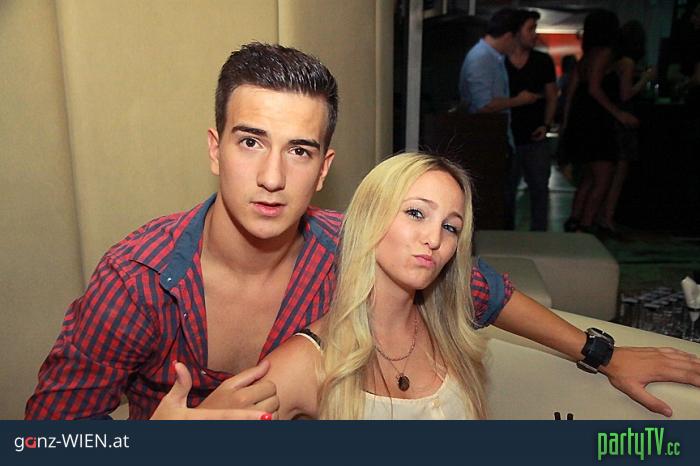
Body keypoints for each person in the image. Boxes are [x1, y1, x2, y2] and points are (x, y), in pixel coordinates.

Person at [27, 43, 700, 421]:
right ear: (214, 148)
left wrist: (603, 353)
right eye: (250, 141)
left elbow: (482, 290)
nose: (271, 177)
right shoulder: (139, 280)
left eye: (298, 151)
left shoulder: (352, 247)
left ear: (324, 168)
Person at [260, 153, 487, 419]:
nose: (434, 239)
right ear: (369, 216)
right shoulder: (307, 362)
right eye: (416, 213)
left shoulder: (452, 339)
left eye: (450, 227)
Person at [562, 10, 638, 233]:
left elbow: (571, 95)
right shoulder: (605, 54)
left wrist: (567, 126)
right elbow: (594, 89)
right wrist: (619, 114)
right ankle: (587, 224)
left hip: (583, 123)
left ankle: (575, 220)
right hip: (598, 124)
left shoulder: (585, 58)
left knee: (589, 177)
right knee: (603, 178)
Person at [597, 21, 656, 232]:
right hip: (623, 120)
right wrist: (645, 79)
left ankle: (600, 214)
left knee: (607, 173)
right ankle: (608, 216)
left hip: (610, 119)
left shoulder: (614, 62)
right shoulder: (628, 63)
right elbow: (626, 94)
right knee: (619, 172)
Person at [459, 8, 541, 151]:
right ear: (509, 37)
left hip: (495, 137)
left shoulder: (494, 57)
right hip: (486, 140)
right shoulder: (482, 58)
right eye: (516, 40)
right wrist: (519, 100)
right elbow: (484, 105)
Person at [504, 10, 557, 231]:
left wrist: (546, 125)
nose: (535, 34)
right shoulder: (500, 61)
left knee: (539, 189)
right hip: (507, 138)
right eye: (530, 29)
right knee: (506, 192)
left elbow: (552, 95)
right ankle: (505, 236)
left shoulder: (542, 61)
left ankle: (539, 237)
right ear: (516, 32)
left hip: (535, 136)